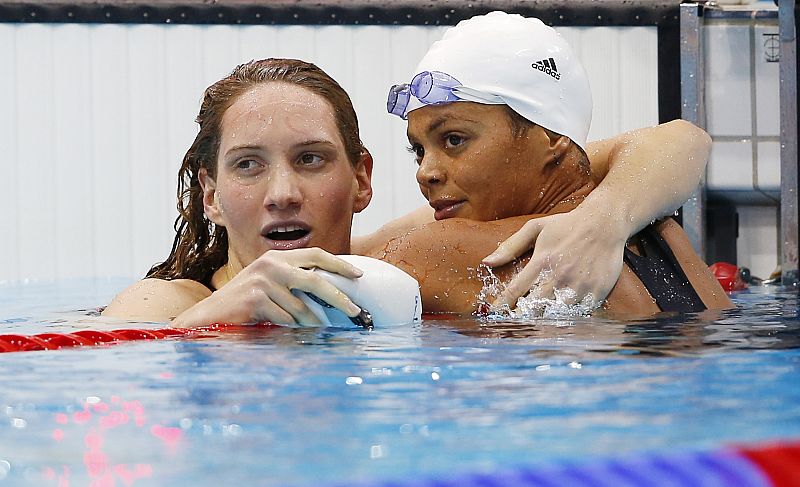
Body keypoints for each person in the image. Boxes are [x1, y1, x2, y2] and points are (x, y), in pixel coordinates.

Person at [104, 50, 716, 326]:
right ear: (210, 195)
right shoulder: (168, 304)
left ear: (362, 179)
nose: (282, 193)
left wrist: (605, 217)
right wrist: (217, 322)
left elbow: (674, 141)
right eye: (247, 166)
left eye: (311, 159)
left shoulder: (388, 260)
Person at [359, 11, 731, 316]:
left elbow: (322, 286)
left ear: (551, 137)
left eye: (455, 140)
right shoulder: (658, 230)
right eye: (419, 151)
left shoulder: (443, 251)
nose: (425, 173)